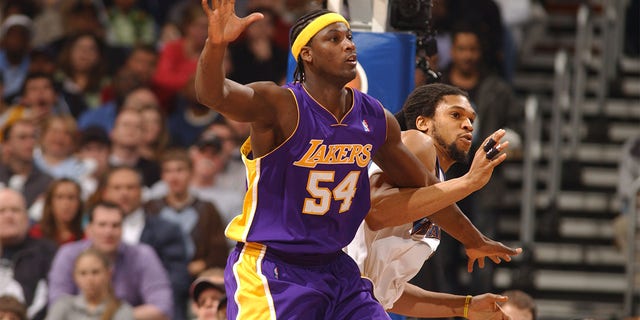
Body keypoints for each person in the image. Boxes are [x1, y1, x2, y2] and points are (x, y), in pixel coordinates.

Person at [195, 3, 514, 319]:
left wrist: (475, 241)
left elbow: (425, 188)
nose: (348, 44)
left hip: (336, 268)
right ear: (307, 54)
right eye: (334, 39)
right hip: (273, 267)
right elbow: (214, 95)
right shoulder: (280, 104)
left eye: (349, 37)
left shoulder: (374, 117)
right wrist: (216, 44)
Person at [346, 83, 517, 318]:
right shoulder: (418, 143)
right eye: (456, 115)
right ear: (423, 122)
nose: (468, 125)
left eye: (471, 119)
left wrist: (465, 306)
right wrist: (469, 182)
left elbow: (389, 292)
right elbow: (376, 213)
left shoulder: (438, 189)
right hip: (334, 291)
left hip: (359, 300)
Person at [48, 201, 173, 320]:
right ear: (89, 228)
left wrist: (114, 316)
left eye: (115, 225)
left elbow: (162, 307)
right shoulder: (68, 254)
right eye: (102, 225)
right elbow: (56, 304)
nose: (108, 232)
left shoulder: (143, 254)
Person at [0, 188, 56, 320]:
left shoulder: (47, 251)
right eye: (1, 211)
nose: (9, 216)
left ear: (26, 217)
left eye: (15, 210)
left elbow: (53, 299)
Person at [46, 248, 135, 320]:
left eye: (95, 272)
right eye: (83, 273)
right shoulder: (63, 305)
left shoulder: (122, 310)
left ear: (108, 274)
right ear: (75, 277)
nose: (89, 279)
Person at [29, 178, 84, 246]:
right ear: (50, 203)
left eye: (71, 197)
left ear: (79, 203)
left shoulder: (86, 237)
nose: (66, 203)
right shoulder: (36, 234)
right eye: (59, 197)